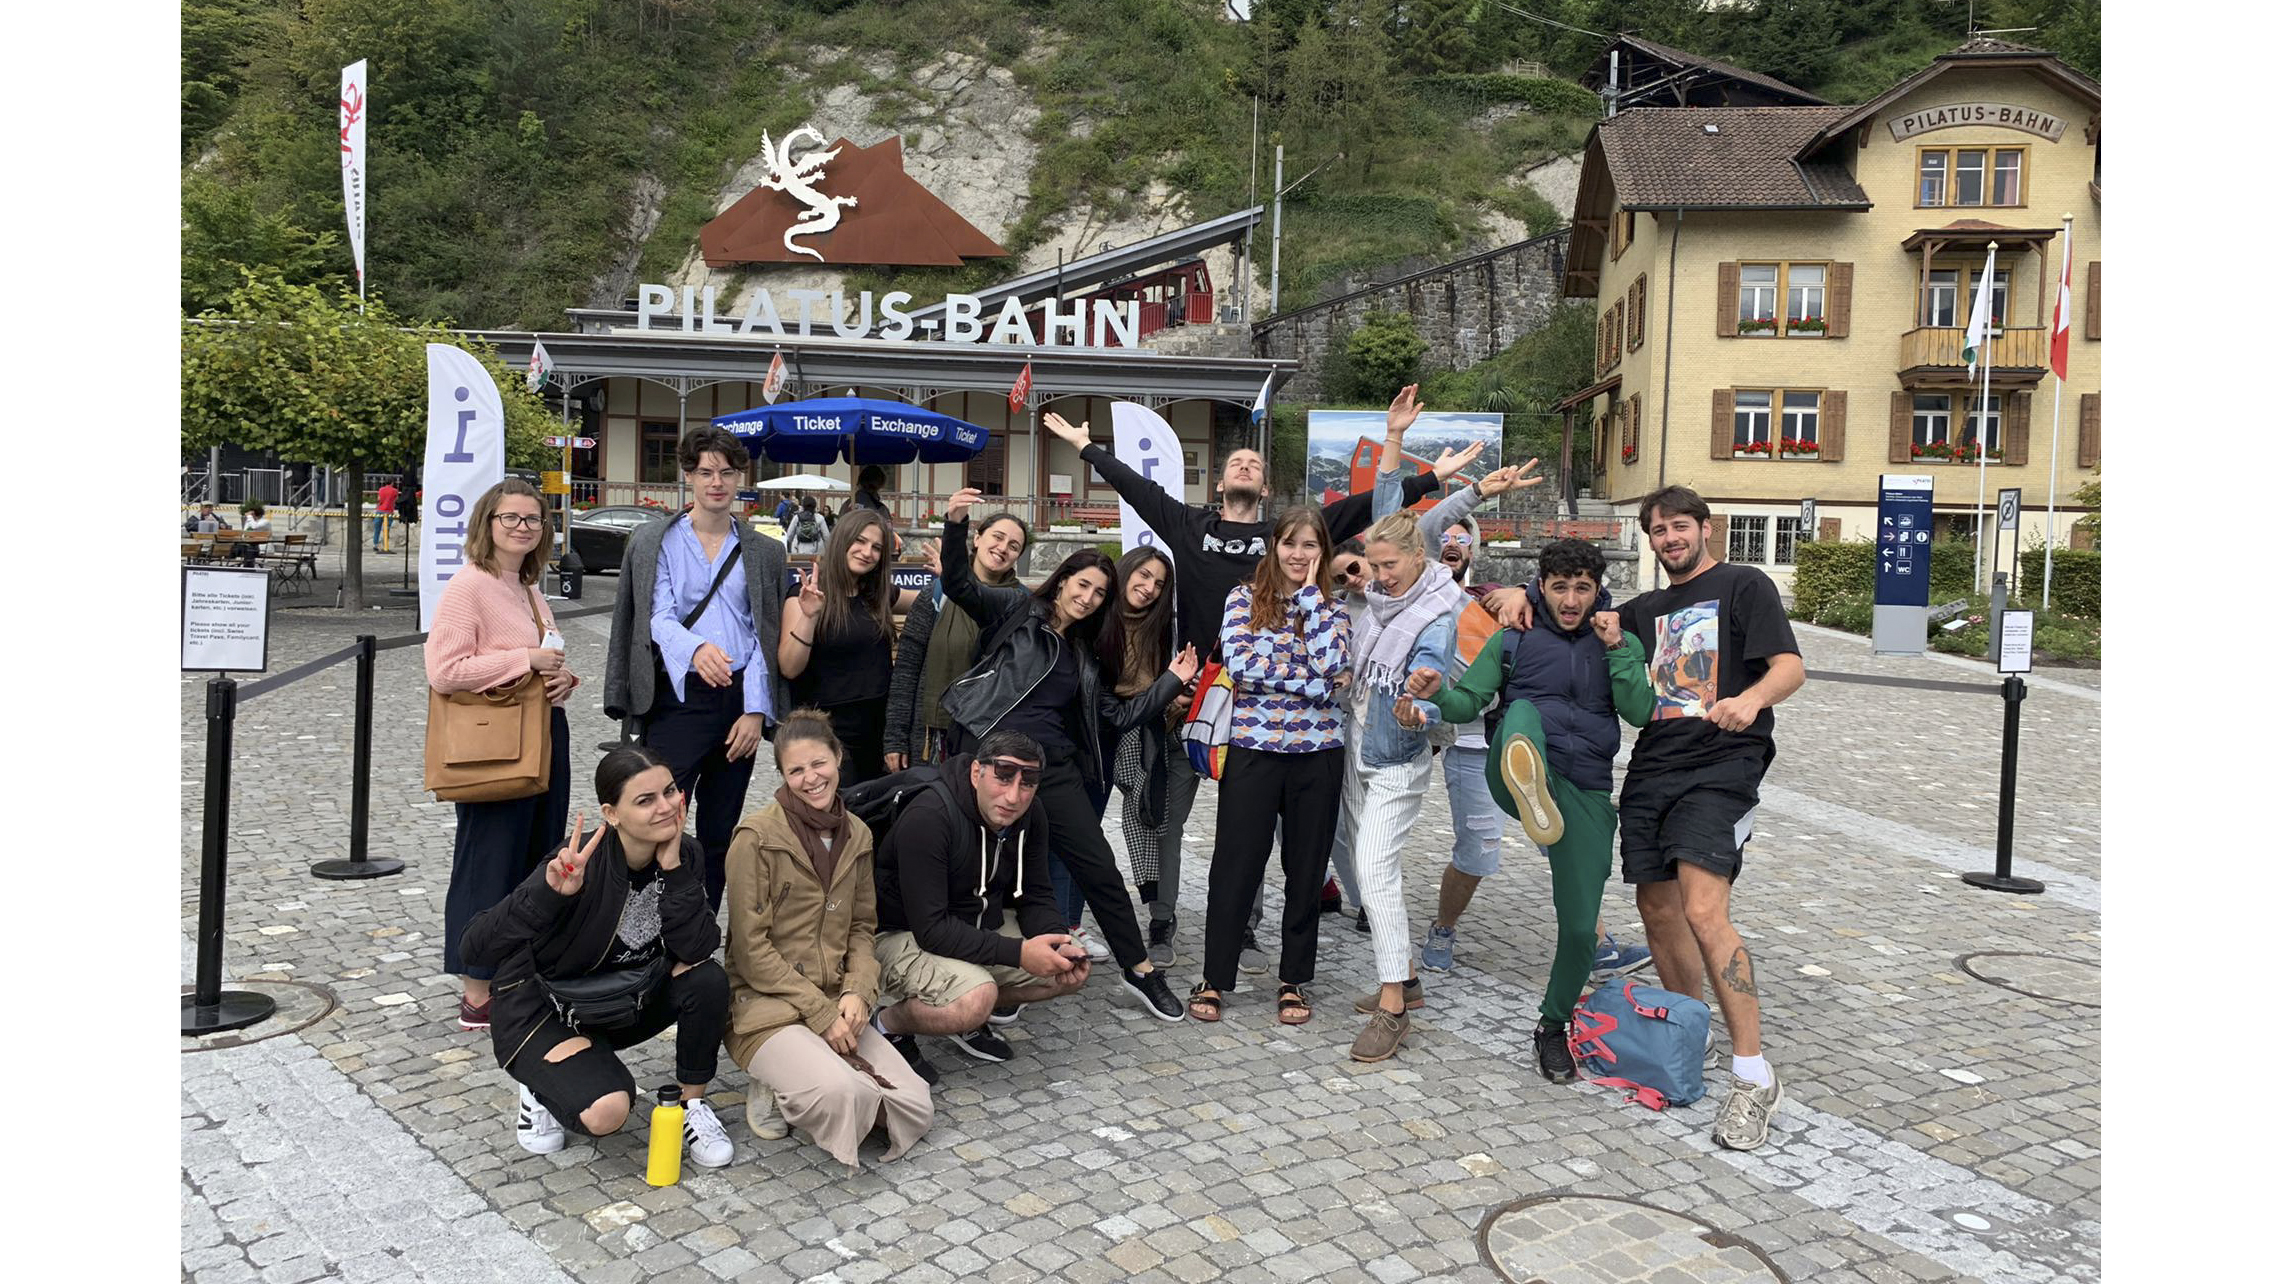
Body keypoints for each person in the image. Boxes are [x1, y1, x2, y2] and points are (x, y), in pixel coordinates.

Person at [1042, 393, 1467, 967]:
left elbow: (1366, 507)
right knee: (1170, 817)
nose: (1245, 466)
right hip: (1191, 699)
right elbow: (1135, 488)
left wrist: (1430, 478)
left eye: (1255, 464)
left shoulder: (1283, 539)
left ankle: (1246, 928)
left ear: (1266, 489)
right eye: (1235, 462)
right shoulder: (1190, 525)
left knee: (1255, 828)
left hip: (1261, 715)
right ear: (1219, 484)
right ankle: (1163, 921)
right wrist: (1084, 447)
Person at [934, 488, 1198, 1023]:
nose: (1089, 598)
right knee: (983, 872)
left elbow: (1118, 717)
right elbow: (959, 584)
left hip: (1051, 770)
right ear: (1062, 582)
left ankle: (1140, 969)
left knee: (1099, 868)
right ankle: (992, 977)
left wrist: (1171, 681)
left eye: (1100, 593)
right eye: (1083, 585)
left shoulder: (1088, 654)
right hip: (991, 759)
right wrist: (956, 522)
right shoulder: (1016, 610)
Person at [1407, 538, 1654, 1082]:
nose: (1571, 600)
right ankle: (1530, 778)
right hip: (1512, 772)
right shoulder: (1513, 638)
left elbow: (1640, 711)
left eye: (1582, 588)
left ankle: (1553, 1026)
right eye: (1560, 587)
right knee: (1521, 714)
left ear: (1598, 590)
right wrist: (1437, 693)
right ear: (1541, 586)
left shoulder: (1619, 640)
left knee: (1581, 928)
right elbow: (1468, 703)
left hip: (1585, 790)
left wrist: (1617, 648)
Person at [1616, 484, 1806, 1151]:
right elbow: (1578, 616)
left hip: (1723, 765)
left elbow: (1790, 667)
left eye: (1679, 526)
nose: (1669, 538)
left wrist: (1751, 700)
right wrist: (1515, 595)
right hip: (1652, 767)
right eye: (1658, 530)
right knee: (1657, 910)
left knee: (1703, 910)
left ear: (1705, 527)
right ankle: (1688, 1031)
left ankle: (1754, 1076)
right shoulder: (1642, 610)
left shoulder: (1743, 585)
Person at [459, 745, 735, 1167]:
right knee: (608, 1111)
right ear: (611, 813)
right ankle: (540, 1086)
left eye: (669, 791)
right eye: (645, 800)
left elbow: (696, 948)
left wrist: (675, 871)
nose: (666, 807)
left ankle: (689, 1107)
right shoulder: (578, 862)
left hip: (625, 999)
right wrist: (548, 895)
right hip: (547, 1008)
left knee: (707, 978)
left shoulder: (686, 854)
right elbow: (475, 947)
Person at [723, 710, 932, 1169]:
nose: (810, 778)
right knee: (845, 1094)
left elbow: (861, 927)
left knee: (915, 1103)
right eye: (796, 770)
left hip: (835, 999)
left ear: (838, 757)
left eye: (818, 763)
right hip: (767, 1006)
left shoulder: (857, 834)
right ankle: (772, 1078)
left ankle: (809, 1068)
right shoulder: (756, 838)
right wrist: (818, 1014)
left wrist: (858, 991)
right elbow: (751, 951)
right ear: (783, 775)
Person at [604, 426, 791, 912]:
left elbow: (763, 634)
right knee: (656, 817)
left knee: (719, 829)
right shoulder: (654, 541)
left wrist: (755, 710)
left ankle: (700, 928)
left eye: (726, 472)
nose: (716, 482)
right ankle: (643, 923)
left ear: (739, 477)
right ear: (688, 476)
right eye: (706, 472)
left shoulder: (764, 551)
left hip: (738, 702)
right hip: (677, 698)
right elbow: (656, 615)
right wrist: (696, 649)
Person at [1186, 505, 1350, 1029]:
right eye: (1289, 543)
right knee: (1235, 865)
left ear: (1322, 551)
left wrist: (1311, 601)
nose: (1298, 554)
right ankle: (1215, 974)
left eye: (1309, 545)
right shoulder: (1243, 598)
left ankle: (1293, 978)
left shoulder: (1334, 608)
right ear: (1273, 546)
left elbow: (1335, 664)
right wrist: (1314, 684)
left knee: (1306, 870)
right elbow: (1241, 666)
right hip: (1253, 749)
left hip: (1318, 754)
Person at [425, 479, 577, 1032]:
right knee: (487, 863)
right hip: (495, 745)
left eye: (532, 519)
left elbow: (541, 661)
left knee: (536, 858)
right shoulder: (470, 585)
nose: (522, 527)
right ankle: (477, 990)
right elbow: (445, 670)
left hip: (541, 734)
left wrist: (562, 679)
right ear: (487, 524)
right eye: (509, 517)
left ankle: (516, 973)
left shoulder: (528, 588)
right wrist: (526, 660)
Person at [871, 732, 1095, 1084]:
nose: (1013, 796)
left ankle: (967, 1015)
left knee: (1064, 967)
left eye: (1027, 783)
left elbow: (1035, 893)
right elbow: (931, 929)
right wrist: (1020, 954)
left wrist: (1057, 940)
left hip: (971, 921)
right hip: (900, 932)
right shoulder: (929, 817)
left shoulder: (1031, 813)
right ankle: (886, 1027)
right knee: (976, 998)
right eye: (1003, 777)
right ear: (977, 773)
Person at [1334, 508, 1469, 1062]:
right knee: (1358, 860)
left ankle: (1394, 1006)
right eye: (1374, 564)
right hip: (1357, 744)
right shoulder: (1377, 606)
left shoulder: (1435, 615)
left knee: (1374, 868)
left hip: (1397, 756)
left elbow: (1433, 675)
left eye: (1390, 565)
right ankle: (1407, 978)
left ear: (1419, 557)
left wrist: (1422, 695)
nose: (1380, 576)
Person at [1098, 546, 1191, 966]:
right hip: (1111, 735)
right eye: (1144, 575)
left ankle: (1160, 919)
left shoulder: (1165, 627)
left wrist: (1177, 696)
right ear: (1126, 570)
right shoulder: (1098, 619)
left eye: (1159, 583)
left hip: (1164, 734)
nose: (1150, 588)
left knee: (1162, 824)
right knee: (1089, 827)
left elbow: (1176, 681)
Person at [885, 512, 1030, 772]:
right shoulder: (936, 595)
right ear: (977, 539)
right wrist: (895, 737)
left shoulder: (1022, 605)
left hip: (990, 737)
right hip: (931, 735)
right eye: (997, 537)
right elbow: (907, 669)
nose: (1002, 548)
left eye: (1013, 546)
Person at [780, 509, 898, 784]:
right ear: (842, 540)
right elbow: (789, 667)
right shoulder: (805, 595)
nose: (867, 552)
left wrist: (947, 578)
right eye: (860, 541)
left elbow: (930, 600)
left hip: (876, 727)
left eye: (876, 547)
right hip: (827, 729)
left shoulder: (877, 595)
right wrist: (809, 617)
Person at [376, 480, 400, 550]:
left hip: (380, 510)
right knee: (387, 529)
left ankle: (375, 544)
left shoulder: (381, 489)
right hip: (389, 511)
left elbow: (379, 499)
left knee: (377, 528)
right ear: (392, 483)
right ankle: (385, 545)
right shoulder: (395, 491)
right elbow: (396, 499)